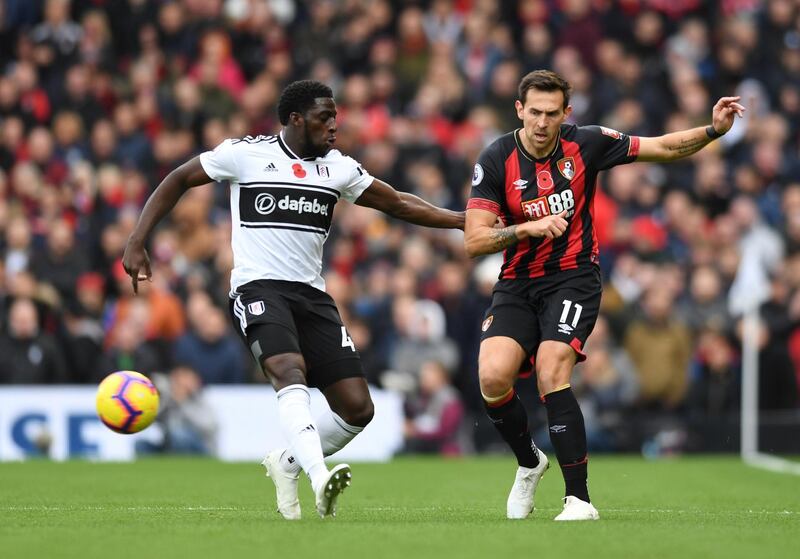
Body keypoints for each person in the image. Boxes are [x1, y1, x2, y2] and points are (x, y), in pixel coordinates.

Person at [122, 80, 464, 519]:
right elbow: (179, 178)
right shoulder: (245, 154)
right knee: (289, 370)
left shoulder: (338, 168)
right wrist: (137, 239)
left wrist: (459, 220)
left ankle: (287, 463)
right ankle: (320, 478)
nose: (334, 127)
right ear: (296, 119)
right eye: (325, 118)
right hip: (258, 288)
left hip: (311, 295)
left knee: (358, 408)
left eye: (336, 118)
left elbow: (397, 202)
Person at [464, 69, 744, 521]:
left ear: (565, 114)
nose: (541, 123)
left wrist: (712, 131)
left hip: (574, 276)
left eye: (551, 114)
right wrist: (527, 228)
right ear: (519, 110)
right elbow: (474, 241)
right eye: (533, 112)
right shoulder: (496, 158)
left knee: (553, 368)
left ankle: (579, 500)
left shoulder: (586, 143)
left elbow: (661, 146)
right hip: (517, 283)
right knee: (492, 380)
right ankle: (530, 462)